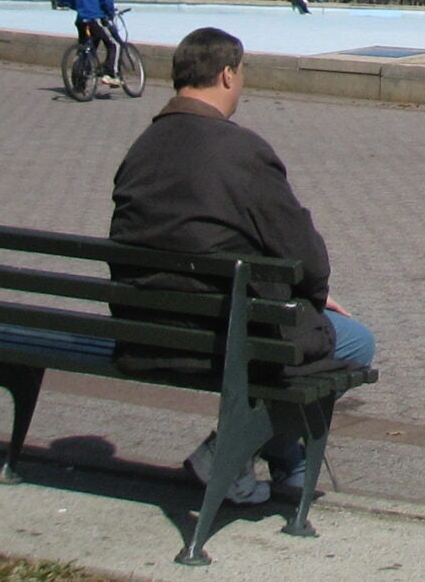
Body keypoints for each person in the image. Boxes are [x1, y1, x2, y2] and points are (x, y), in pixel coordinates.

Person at [110, 27, 376, 506]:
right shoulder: (239, 151)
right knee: (355, 340)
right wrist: (312, 297)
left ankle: (289, 468)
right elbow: (305, 257)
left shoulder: (142, 148)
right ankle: (224, 454)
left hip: (144, 328)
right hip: (219, 333)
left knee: (284, 337)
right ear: (228, 74)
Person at [58, 0, 122, 87]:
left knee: (85, 48)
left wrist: (78, 7)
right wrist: (110, 13)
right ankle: (110, 74)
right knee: (115, 43)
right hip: (95, 18)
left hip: (81, 19)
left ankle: (78, 83)